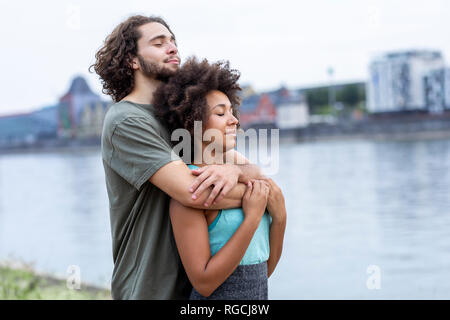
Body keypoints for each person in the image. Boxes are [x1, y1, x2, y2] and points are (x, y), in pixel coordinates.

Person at [90, 15, 265, 299]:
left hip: (198, 291)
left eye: (173, 41)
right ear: (131, 60)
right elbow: (194, 193)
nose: (172, 48)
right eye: (159, 43)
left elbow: (256, 171)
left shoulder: (180, 116)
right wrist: (263, 197)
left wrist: (236, 172)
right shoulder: (126, 120)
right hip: (150, 289)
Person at [153, 57, 287, 299]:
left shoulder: (245, 176)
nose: (234, 119)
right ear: (193, 122)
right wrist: (253, 218)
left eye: (232, 111)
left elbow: (262, 272)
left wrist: (280, 218)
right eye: (220, 113)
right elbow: (204, 283)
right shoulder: (193, 186)